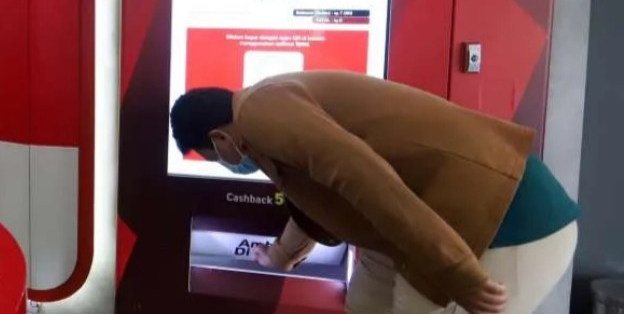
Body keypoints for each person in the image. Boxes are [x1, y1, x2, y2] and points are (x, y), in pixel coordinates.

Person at [169, 70, 580, 314]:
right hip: (428, 223)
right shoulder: (266, 118)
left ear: (220, 138)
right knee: (367, 304)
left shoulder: (261, 114)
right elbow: (312, 203)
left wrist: (460, 275)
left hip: (505, 217)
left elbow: (366, 180)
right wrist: (281, 255)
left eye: (214, 157)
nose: (226, 164)